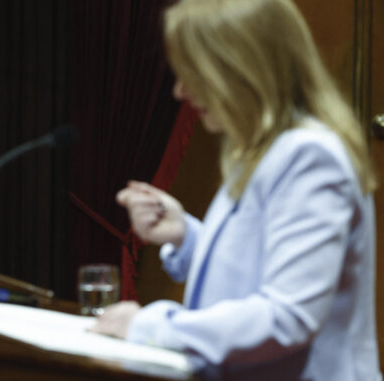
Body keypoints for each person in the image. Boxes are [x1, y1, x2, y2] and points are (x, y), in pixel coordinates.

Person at [89, 0, 380, 379]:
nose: (180, 91)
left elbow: (288, 316)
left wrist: (151, 327)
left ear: (240, 71)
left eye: (192, 73)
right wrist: (187, 235)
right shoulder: (263, 148)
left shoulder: (309, 156)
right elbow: (262, 267)